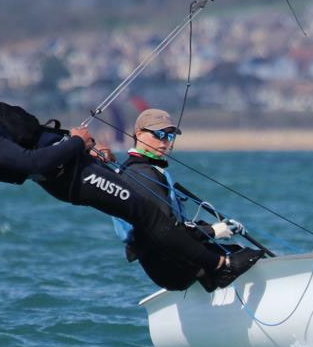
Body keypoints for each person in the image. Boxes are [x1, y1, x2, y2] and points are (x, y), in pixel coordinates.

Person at [0, 55, 261, 291]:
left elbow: (39, 137)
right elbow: (33, 163)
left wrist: (80, 144)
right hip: (71, 179)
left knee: (148, 213)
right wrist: (77, 145)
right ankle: (217, 268)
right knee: (147, 211)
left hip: (78, 164)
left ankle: (199, 269)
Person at [112, 108, 262, 292]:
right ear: (140, 135)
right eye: (159, 135)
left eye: (170, 137)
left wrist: (213, 227)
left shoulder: (143, 169)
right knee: (249, 257)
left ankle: (211, 284)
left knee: (239, 251)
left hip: (167, 258)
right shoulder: (141, 175)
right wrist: (213, 231)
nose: (165, 142)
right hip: (169, 266)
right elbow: (165, 230)